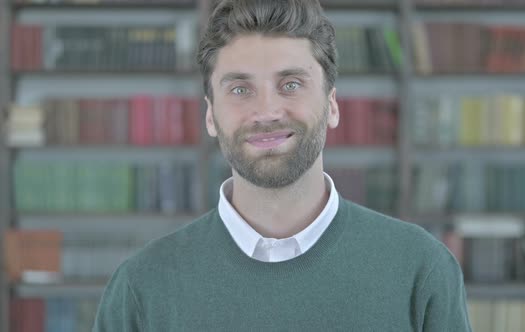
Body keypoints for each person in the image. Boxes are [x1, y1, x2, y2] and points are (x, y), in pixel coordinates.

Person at [92, 0, 472, 330]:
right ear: (210, 116)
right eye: (240, 89)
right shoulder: (141, 287)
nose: (267, 112)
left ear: (333, 104)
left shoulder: (421, 269)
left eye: (290, 84)